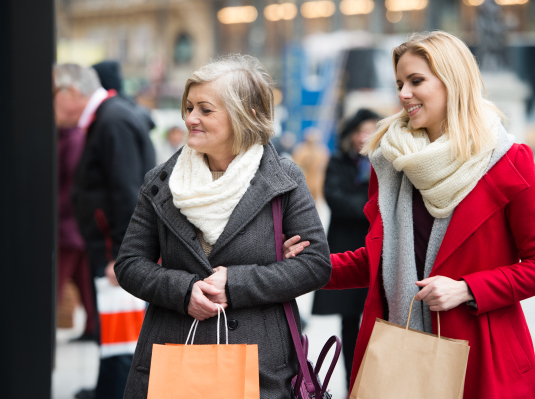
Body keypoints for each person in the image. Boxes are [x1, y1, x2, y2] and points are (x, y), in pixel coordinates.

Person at [285, 31, 535, 399]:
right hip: (401, 354)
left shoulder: (507, 160)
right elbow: (384, 262)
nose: (403, 94)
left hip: (481, 356)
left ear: (453, 82)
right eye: (399, 83)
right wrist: (309, 266)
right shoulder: (391, 162)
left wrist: (467, 289)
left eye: (416, 81)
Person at [113, 54, 331, 399]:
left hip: (260, 366)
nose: (190, 119)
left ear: (246, 115)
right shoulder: (160, 182)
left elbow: (315, 265)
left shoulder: (283, 179)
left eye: (205, 109)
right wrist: (183, 291)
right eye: (189, 107)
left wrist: (237, 283)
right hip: (175, 356)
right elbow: (129, 265)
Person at [53, 63, 156, 399]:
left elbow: (128, 193)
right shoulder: (108, 118)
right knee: (114, 339)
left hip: (119, 256)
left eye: (52, 95)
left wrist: (121, 256)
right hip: (114, 252)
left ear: (71, 93)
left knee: (121, 342)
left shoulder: (112, 121)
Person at [311, 108, 379, 389]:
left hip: (376, 249)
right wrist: (372, 208)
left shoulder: (384, 162)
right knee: (349, 323)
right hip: (346, 247)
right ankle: (352, 383)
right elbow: (335, 197)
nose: (365, 137)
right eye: (360, 131)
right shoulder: (339, 162)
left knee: (379, 322)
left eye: (371, 131)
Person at [57, 125, 96, 341]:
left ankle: (93, 325)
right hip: (75, 225)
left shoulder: (73, 138)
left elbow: (71, 183)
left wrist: (56, 209)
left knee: (57, 280)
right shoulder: (72, 136)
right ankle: (93, 325)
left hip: (69, 224)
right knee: (83, 280)